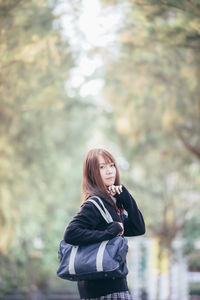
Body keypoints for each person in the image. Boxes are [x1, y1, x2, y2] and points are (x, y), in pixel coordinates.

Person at [64, 148, 145, 300]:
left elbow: (138, 228)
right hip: (104, 290)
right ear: (92, 173)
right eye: (102, 167)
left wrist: (126, 198)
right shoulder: (95, 204)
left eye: (111, 165)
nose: (109, 171)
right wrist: (109, 232)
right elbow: (71, 233)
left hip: (110, 286)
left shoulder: (110, 205)